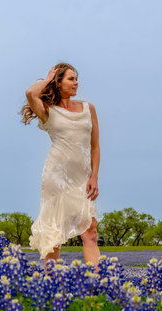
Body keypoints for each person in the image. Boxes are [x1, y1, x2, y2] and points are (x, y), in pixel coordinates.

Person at [22, 63, 101, 275]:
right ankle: (52, 287)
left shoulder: (88, 108)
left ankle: (100, 284)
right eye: (71, 79)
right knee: (53, 236)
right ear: (58, 82)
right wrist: (48, 78)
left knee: (90, 232)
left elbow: (95, 145)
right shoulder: (48, 111)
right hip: (55, 179)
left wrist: (94, 176)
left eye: (76, 79)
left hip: (82, 179)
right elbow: (31, 93)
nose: (76, 83)